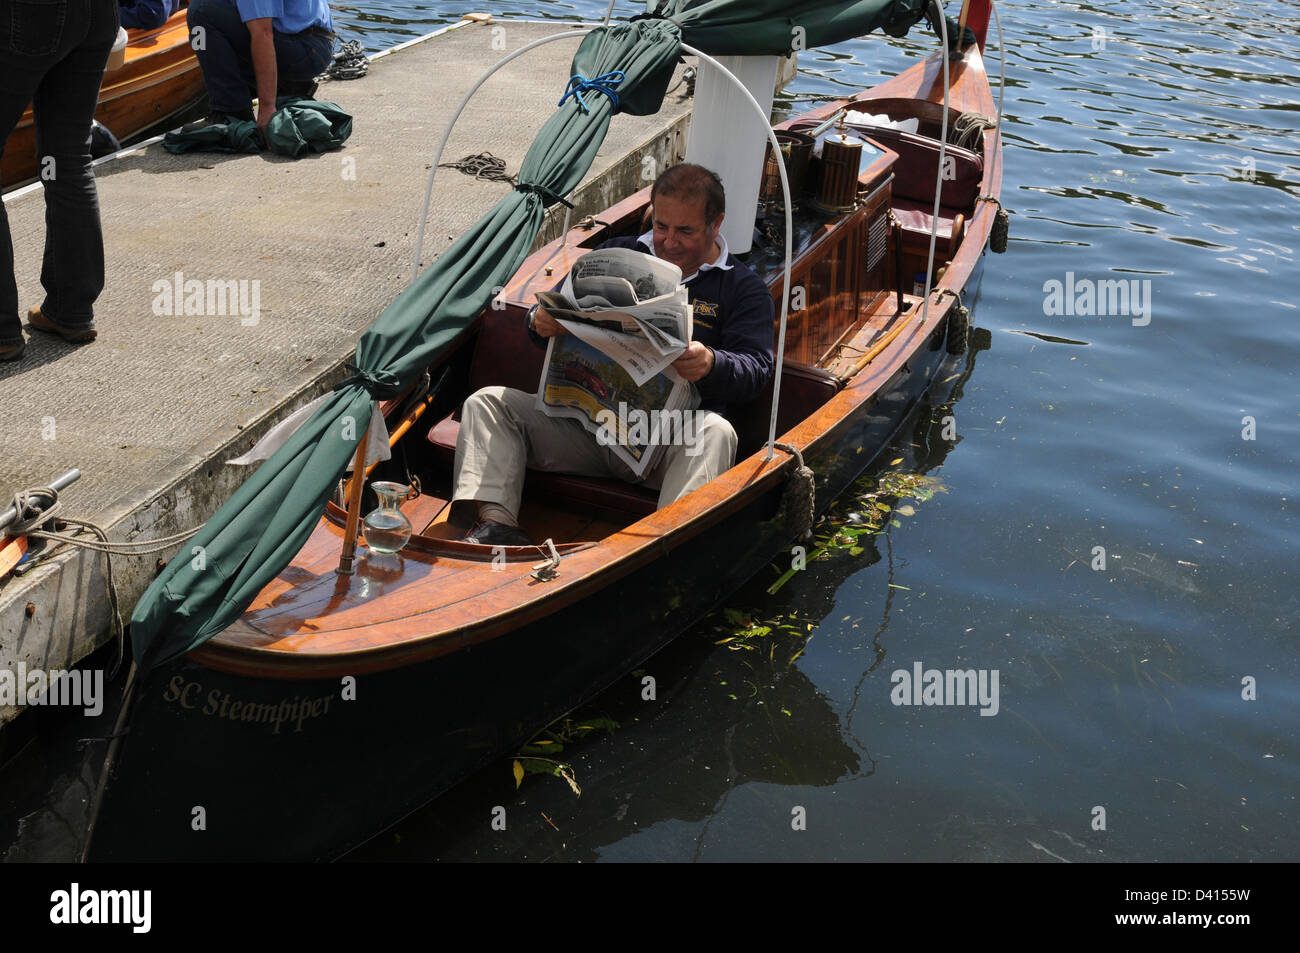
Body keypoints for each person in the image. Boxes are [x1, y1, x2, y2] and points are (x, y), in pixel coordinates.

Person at [452, 163, 775, 546]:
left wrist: (711, 363)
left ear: (715, 223)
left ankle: (662, 551)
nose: (668, 242)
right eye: (661, 227)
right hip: (588, 429)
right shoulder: (614, 254)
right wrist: (540, 321)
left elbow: (756, 370)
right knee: (488, 404)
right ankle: (498, 528)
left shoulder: (743, 289)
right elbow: (552, 311)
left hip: (664, 447)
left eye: (684, 231)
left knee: (716, 432)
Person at [1, 0, 120, 362]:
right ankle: (71, 311)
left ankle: (3, 332)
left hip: (26, 13)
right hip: (97, 12)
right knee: (68, 158)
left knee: (67, 158)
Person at [186, 0, 334, 130]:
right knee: (208, 13)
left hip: (305, 50)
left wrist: (267, 108)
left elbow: (263, 34)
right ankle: (286, 87)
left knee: (200, 12)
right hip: (312, 43)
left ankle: (232, 113)